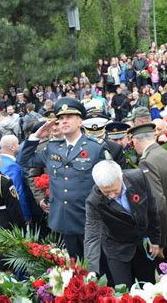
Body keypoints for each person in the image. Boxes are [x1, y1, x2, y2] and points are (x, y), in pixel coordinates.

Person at [19, 97, 110, 259]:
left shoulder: (95, 147)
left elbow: (109, 184)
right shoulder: (53, 147)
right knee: (75, 267)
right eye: (61, 118)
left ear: (80, 121)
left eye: (69, 117)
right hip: (64, 219)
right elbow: (24, 160)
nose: (64, 121)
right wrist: (36, 136)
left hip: (88, 219)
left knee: (96, 267)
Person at [84, 160, 161, 287]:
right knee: (123, 290)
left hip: (142, 243)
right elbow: (92, 234)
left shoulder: (138, 178)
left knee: (149, 287)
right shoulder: (94, 201)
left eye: (115, 190)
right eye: (106, 193)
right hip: (116, 248)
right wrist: (92, 268)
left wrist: (155, 239)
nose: (112, 195)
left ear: (121, 178)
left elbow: (151, 209)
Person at [128, 123, 167, 264]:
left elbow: (158, 202)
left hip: (163, 233)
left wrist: (159, 240)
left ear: (136, 141)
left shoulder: (147, 161)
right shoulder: (166, 154)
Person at [0, 135, 32, 222]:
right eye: (18, 144)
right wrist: (25, 215)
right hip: (15, 213)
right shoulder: (12, 165)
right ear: (12, 147)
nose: (19, 146)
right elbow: (17, 192)